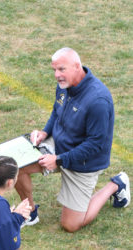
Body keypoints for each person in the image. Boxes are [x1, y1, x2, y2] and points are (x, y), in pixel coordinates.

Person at [15, 47, 130, 232]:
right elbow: (56, 110)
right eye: (54, 70)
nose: (57, 75)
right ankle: (29, 213)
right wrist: (45, 132)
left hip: (84, 162)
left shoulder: (98, 101)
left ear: (77, 67)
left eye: (61, 69)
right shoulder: (64, 86)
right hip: (59, 146)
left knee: (70, 225)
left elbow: (95, 144)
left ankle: (116, 184)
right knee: (15, 165)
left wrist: (59, 160)